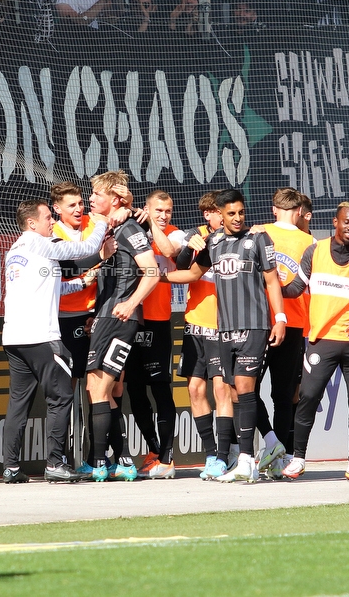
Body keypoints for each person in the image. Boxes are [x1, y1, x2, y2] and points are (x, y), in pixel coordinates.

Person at [165, 189, 287, 483]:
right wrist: (156, 276)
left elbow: (271, 281)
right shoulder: (214, 242)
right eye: (231, 214)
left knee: (244, 388)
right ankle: (257, 452)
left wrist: (280, 319)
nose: (237, 218)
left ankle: (246, 459)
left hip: (254, 326)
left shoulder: (258, 239)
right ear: (219, 214)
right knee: (233, 391)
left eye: (241, 213)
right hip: (223, 330)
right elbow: (193, 274)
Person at [1, 199, 113, 483]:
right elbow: (86, 248)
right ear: (31, 223)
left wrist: (85, 282)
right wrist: (100, 223)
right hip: (42, 337)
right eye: (48, 217)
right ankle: (55, 463)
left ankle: (11, 467)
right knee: (61, 398)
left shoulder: (15, 250)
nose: (52, 222)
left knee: (18, 403)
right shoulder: (39, 244)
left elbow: (53, 286)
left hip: (15, 337)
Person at [280, 201, 349, 482]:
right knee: (308, 399)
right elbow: (295, 288)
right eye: (347, 222)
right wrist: (270, 288)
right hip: (321, 341)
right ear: (335, 222)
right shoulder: (315, 251)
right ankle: (298, 459)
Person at [85, 171, 159, 482]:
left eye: (97, 195)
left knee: (99, 389)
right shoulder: (110, 228)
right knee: (106, 390)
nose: (91, 199)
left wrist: (130, 304)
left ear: (114, 200)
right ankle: (122, 460)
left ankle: (101, 463)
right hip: (106, 318)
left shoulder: (129, 227)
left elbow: (152, 271)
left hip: (118, 320)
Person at [251, 188, 314, 478]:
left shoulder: (257, 233)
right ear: (300, 212)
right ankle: (283, 457)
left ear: (274, 209)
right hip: (295, 322)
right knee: (284, 395)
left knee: (246, 389)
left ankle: (269, 441)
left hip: (259, 321)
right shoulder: (311, 242)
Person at [175, 190, 234, 480]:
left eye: (216, 211)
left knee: (222, 390)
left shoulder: (237, 240)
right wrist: (189, 248)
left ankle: (226, 454)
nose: (212, 217)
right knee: (195, 390)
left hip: (223, 328)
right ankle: (211, 454)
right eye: (209, 212)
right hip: (195, 325)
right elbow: (181, 268)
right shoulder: (196, 236)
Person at [127, 190, 185, 480]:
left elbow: (170, 252)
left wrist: (151, 224)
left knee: (161, 389)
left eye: (167, 211)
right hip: (130, 320)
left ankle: (167, 457)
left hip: (159, 322)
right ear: (147, 208)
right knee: (135, 391)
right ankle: (153, 449)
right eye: (158, 210)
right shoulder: (132, 230)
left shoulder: (176, 234)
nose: (164, 216)